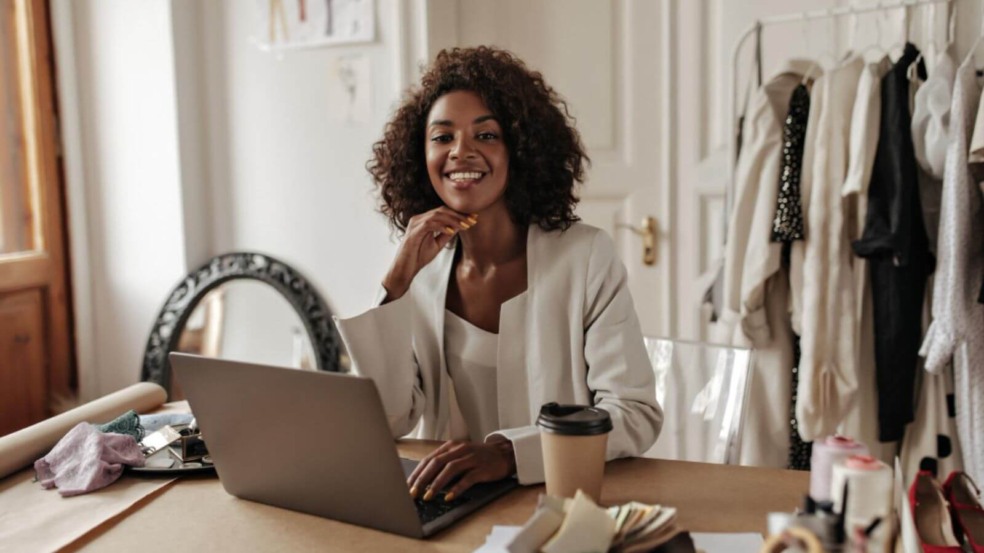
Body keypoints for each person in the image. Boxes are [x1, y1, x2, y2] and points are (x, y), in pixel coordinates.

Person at [334, 46, 661, 503]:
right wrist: (394, 289)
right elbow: (391, 420)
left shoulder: (584, 256)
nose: (461, 152)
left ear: (520, 149)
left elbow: (634, 413)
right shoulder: (422, 272)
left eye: (486, 135)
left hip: (562, 503)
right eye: (442, 137)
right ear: (420, 154)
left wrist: (509, 454)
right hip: (450, 507)